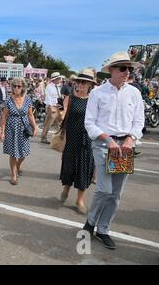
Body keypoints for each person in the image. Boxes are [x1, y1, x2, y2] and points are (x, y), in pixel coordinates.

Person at [82, 52, 144, 250]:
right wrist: (107, 140)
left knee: (116, 194)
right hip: (103, 144)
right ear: (111, 70)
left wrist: (131, 138)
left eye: (130, 68)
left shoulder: (134, 93)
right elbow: (89, 123)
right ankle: (90, 222)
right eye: (123, 68)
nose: (127, 72)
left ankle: (103, 229)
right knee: (104, 189)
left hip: (125, 147)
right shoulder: (98, 93)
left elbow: (139, 121)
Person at [59, 69, 96, 214]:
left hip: (87, 139)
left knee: (84, 168)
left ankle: (80, 199)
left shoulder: (93, 100)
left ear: (89, 85)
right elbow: (64, 112)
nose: (79, 84)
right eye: (78, 81)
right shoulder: (70, 98)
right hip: (72, 137)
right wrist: (60, 115)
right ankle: (66, 187)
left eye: (83, 82)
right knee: (69, 166)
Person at [0, 78, 38, 185]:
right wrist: (2, 132)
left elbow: (30, 115)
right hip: (11, 129)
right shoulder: (8, 100)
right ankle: (13, 175)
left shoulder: (27, 99)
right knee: (13, 153)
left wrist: (35, 127)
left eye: (19, 86)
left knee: (24, 153)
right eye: (15, 86)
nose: (16, 88)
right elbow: (4, 117)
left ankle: (17, 166)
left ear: (23, 88)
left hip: (23, 129)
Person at [40, 72, 64, 144]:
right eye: (59, 78)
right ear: (55, 79)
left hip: (57, 106)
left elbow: (58, 96)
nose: (60, 80)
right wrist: (51, 108)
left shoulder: (58, 86)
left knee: (59, 122)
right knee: (49, 123)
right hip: (51, 106)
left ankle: (61, 138)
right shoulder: (49, 86)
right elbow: (48, 98)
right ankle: (43, 137)